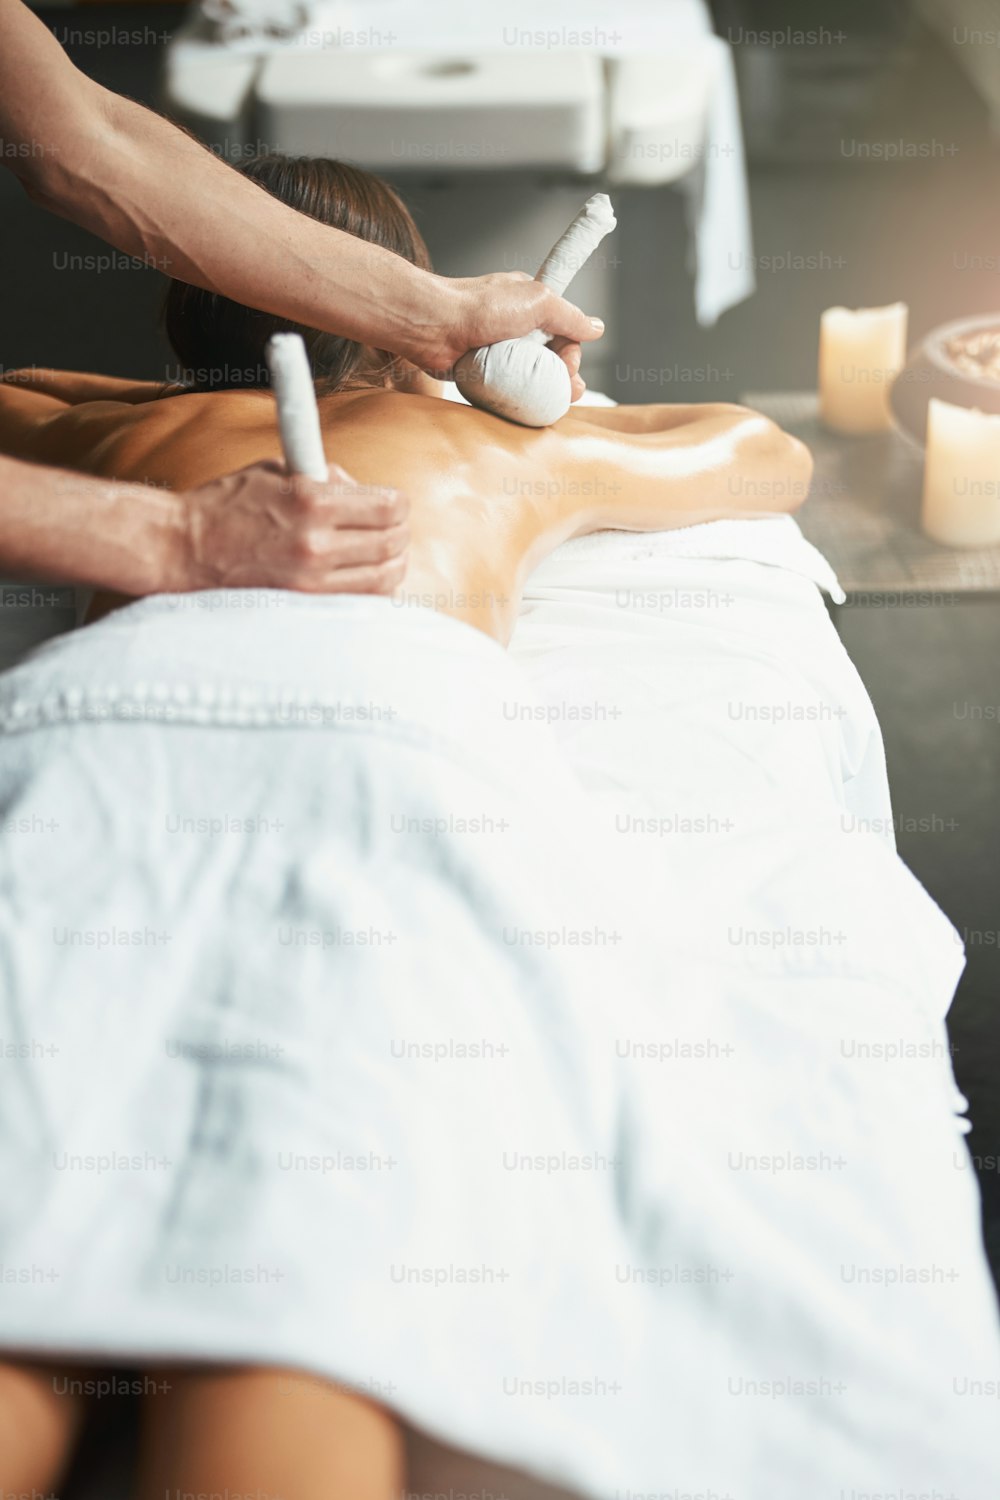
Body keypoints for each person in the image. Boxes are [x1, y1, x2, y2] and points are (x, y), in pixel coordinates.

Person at [0, 155, 811, 1499]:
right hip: (388, 740)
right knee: (307, 1261)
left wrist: (144, 396)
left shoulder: (106, 436)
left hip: (98, 733)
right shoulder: (504, 444)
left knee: (26, 1208)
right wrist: (510, 389)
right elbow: (762, 451)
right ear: (394, 310)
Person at [0, 0, 603, 597]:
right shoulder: (487, 444)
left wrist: (158, 405)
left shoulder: (117, 435)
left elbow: (21, 381)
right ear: (395, 361)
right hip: (411, 681)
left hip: (116, 677)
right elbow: (695, 441)